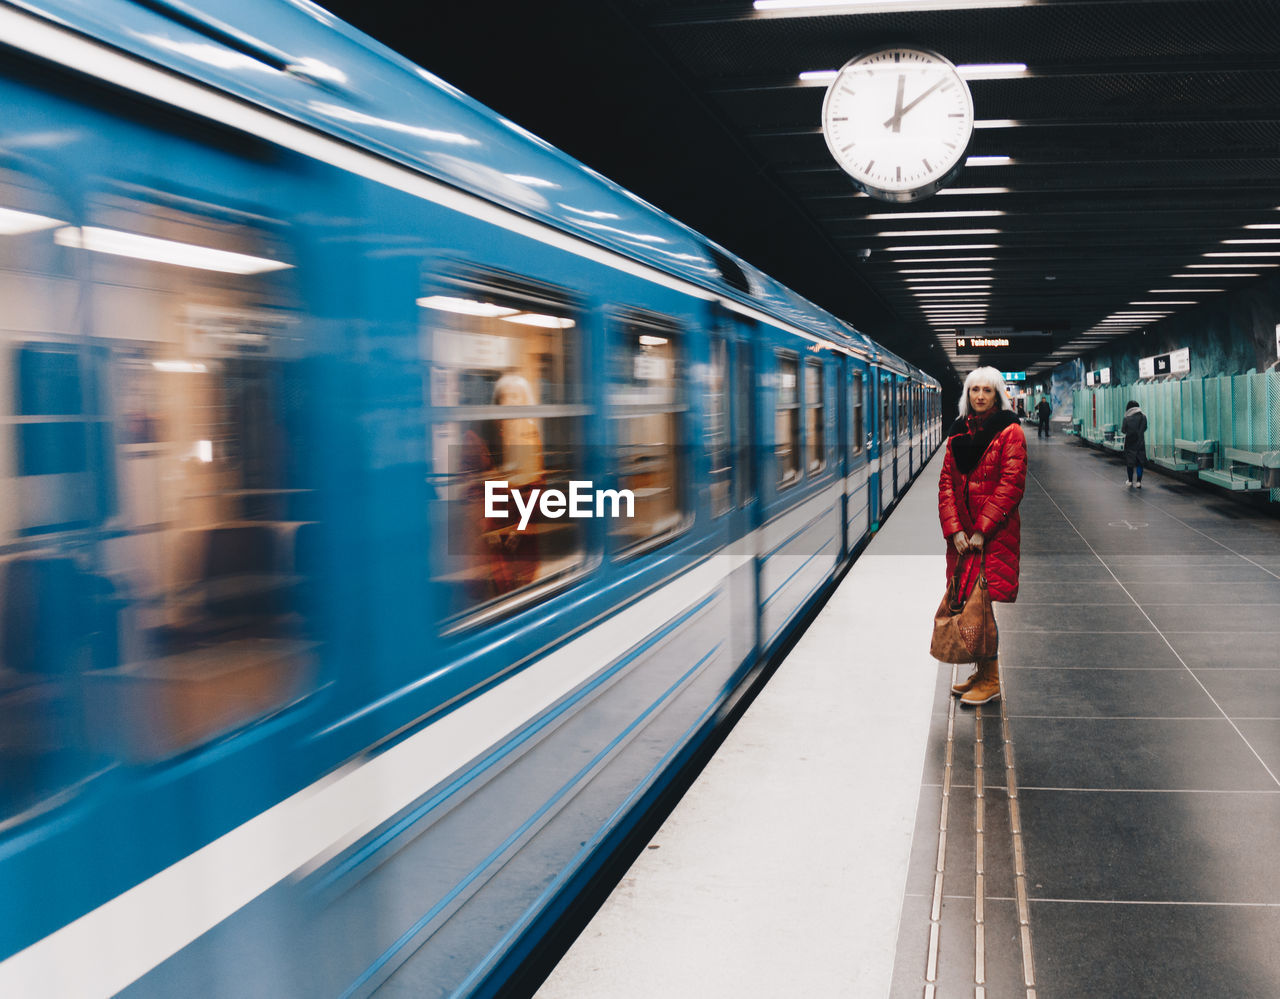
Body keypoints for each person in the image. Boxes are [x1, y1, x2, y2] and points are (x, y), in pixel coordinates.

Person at [938, 367, 1028, 706]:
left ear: (997, 394)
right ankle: (981, 672)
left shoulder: (1010, 432)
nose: (979, 396)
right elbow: (946, 483)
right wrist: (955, 529)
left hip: (993, 536)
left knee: (983, 607)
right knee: (973, 606)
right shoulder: (958, 432)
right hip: (963, 539)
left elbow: (1011, 485)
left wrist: (980, 530)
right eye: (974, 390)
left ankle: (990, 680)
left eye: (986, 390)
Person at [1121, 399, 1147, 488]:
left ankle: (1130, 481)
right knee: (1140, 463)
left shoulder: (1127, 418)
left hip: (1130, 443)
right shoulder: (1144, 417)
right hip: (1140, 443)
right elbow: (1145, 428)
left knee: (1130, 462)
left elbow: (1123, 430)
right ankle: (1139, 482)